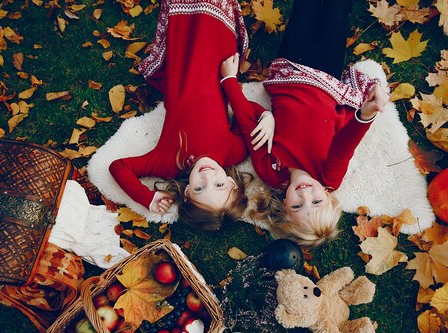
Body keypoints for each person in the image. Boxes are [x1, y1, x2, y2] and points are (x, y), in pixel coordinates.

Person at [220, 0, 389, 247]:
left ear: (284, 207)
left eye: (297, 205)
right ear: (328, 197)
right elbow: (344, 146)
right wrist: (365, 115)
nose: (305, 193)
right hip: (325, 76)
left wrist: (229, 82)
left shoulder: (270, 172)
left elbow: (247, 126)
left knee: (306, 8)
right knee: (336, 11)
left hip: (290, 70)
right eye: (317, 201)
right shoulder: (328, 177)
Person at [109, 0, 274, 230]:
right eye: (218, 185)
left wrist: (146, 197)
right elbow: (244, 115)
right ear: (231, 183)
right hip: (217, 64)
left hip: (184, 61)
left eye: (199, 188)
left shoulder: (168, 164)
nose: (207, 177)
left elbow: (118, 167)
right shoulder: (233, 152)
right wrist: (266, 116)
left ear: (186, 192)